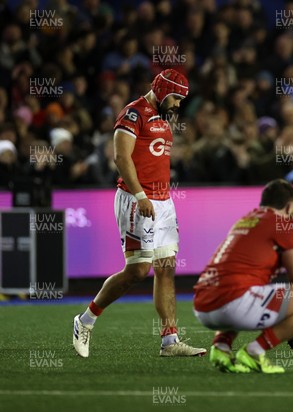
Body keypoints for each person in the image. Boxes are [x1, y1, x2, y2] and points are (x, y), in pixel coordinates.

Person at [72, 69, 206, 358]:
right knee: (137, 270)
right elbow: (121, 157)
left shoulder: (162, 118)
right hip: (137, 199)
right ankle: (85, 320)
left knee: (166, 268)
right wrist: (141, 194)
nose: (178, 105)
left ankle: (170, 341)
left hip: (163, 201)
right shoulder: (134, 114)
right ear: (160, 90)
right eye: (175, 98)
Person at [193, 179, 293, 373]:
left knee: (247, 286)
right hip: (233, 304)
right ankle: (255, 351)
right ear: (289, 206)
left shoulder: (247, 219)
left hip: (202, 305)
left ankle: (221, 347)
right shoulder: (283, 224)